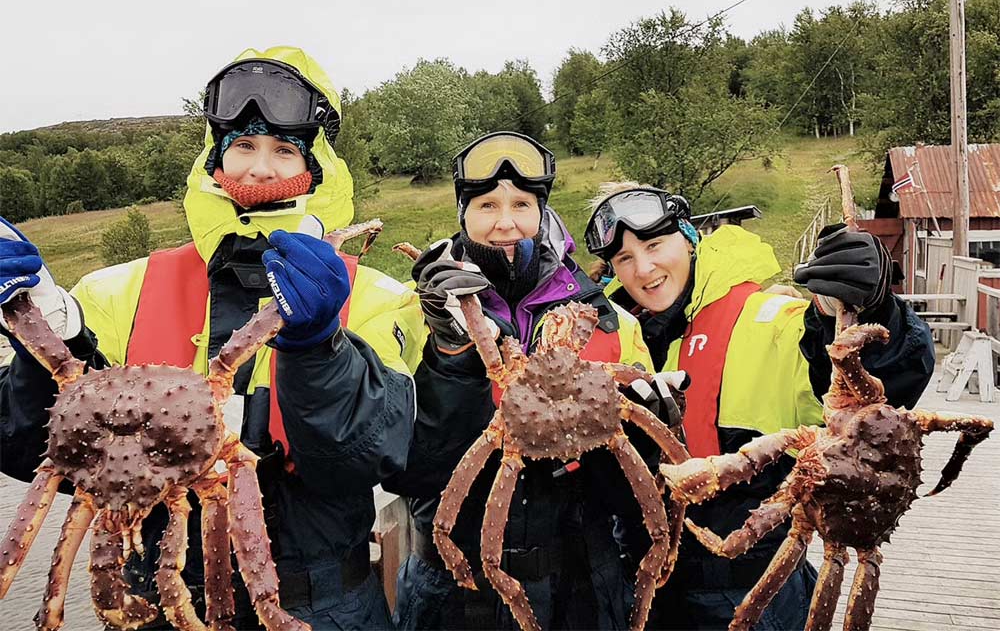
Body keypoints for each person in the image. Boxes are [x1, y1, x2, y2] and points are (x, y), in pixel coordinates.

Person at [0, 46, 425, 630]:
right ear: (214, 155)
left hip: (328, 606)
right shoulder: (116, 289)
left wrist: (320, 348)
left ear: (318, 163)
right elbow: (28, 449)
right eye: (243, 145)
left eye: (283, 150)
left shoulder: (375, 294)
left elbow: (378, 458)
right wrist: (46, 335)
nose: (259, 168)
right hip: (153, 600)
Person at [583, 183, 936, 630]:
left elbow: (878, 383)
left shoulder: (768, 318)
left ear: (689, 237)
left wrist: (872, 309)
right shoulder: (608, 334)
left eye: (654, 245)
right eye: (625, 259)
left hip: (750, 588)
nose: (644, 268)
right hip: (639, 585)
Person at [382, 132, 684, 630]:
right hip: (457, 591)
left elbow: (640, 488)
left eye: (522, 203)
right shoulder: (414, 311)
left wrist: (654, 428)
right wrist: (450, 355)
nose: (505, 222)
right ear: (463, 214)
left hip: (584, 585)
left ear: (543, 213)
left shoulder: (611, 321)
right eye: (486, 205)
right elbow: (405, 471)